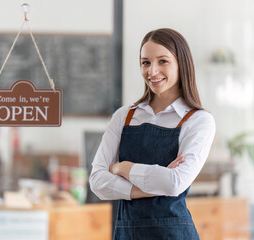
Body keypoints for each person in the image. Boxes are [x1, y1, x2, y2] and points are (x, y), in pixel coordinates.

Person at [89, 28, 215, 239]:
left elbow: (174, 183)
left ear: (181, 63)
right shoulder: (124, 116)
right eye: (146, 62)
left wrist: (123, 168)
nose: (152, 71)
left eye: (162, 61)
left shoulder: (199, 121)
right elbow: (97, 182)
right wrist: (150, 186)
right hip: (126, 233)